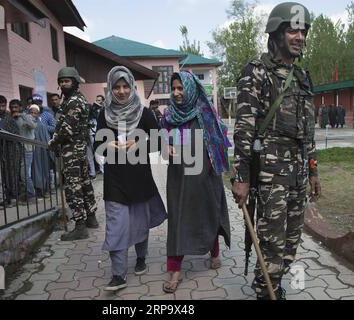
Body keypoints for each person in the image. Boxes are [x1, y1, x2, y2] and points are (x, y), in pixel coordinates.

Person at [232, 2, 322, 300]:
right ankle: (265, 292)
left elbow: (307, 130)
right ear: (277, 33)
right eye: (293, 29)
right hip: (271, 180)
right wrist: (241, 177)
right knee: (271, 244)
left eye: (303, 31)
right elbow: (244, 129)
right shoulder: (255, 72)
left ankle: (275, 285)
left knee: (290, 243)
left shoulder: (302, 76)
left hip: (296, 177)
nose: (300, 36)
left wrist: (313, 170)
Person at [94, 66, 167, 291]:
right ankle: (118, 275)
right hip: (115, 180)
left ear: (133, 86)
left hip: (140, 178)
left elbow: (159, 142)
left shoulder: (143, 113)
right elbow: (97, 146)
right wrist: (108, 144)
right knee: (116, 226)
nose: (122, 91)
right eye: (117, 87)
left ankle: (141, 258)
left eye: (126, 86)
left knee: (139, 222)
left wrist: (140, 142)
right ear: (110, 88)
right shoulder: (104, 114)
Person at [160, 71, 231, 293]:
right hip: (178, 179)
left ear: (190, 88)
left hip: (206, 177)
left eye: (181, 88)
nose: (176, 93)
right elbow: (161, 144)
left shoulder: (206, 114)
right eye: (174, 88)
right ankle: (175, 269)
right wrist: (166, 146)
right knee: (178, 219)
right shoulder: (168, 115)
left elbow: (220, 145)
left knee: (208, 213)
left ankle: (214, 251)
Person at [49, 67, 98, 240]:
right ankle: (91, 218)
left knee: (73, 187)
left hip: (72, 150)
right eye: (61, 81)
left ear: (75, 82)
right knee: (84, 183)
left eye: (67, 81)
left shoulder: (74, 101)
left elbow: (66, 129)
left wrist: (53, 142)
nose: (63, 84)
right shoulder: (74, 99)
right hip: (78, 148)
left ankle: (80, 226)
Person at [29, 104, 54, 198]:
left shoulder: (42, 126)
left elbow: (46, 139)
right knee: (35, 171)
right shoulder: (27, 124)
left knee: (44, 170)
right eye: (31, 112)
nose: (33, 115)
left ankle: (45, 189)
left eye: (35, 113)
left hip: (42, 151)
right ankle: (38, 189)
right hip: (32, 151)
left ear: (38, 114)